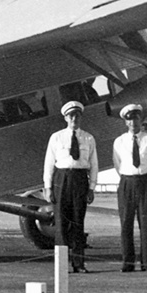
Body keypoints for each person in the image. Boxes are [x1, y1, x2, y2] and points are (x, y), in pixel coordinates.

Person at [43, 99, 98, 273]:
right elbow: (49, 163)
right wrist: (48, 187)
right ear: (66, 118)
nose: (74, 118)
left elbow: (94, 164)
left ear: (81, 117)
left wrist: (91, 188)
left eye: (77, 115)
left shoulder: (88, 138)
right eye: (71, 115)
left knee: (78, 222)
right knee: (60, 223)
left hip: (80, 179)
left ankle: (78, 263)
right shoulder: (56, 137)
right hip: (62, 179)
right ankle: (61, 265)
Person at [112, 104, 147, 272]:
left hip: (145, 182)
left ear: (141, 120)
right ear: (126, 122)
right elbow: (118, 164)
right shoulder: (119, 141)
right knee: (126, 224)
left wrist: (143, 176)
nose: (133, 122)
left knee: (146, 224)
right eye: (130, 119)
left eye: (136, 118)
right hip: (127, 183)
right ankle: (128, 263)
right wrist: (129, 176)